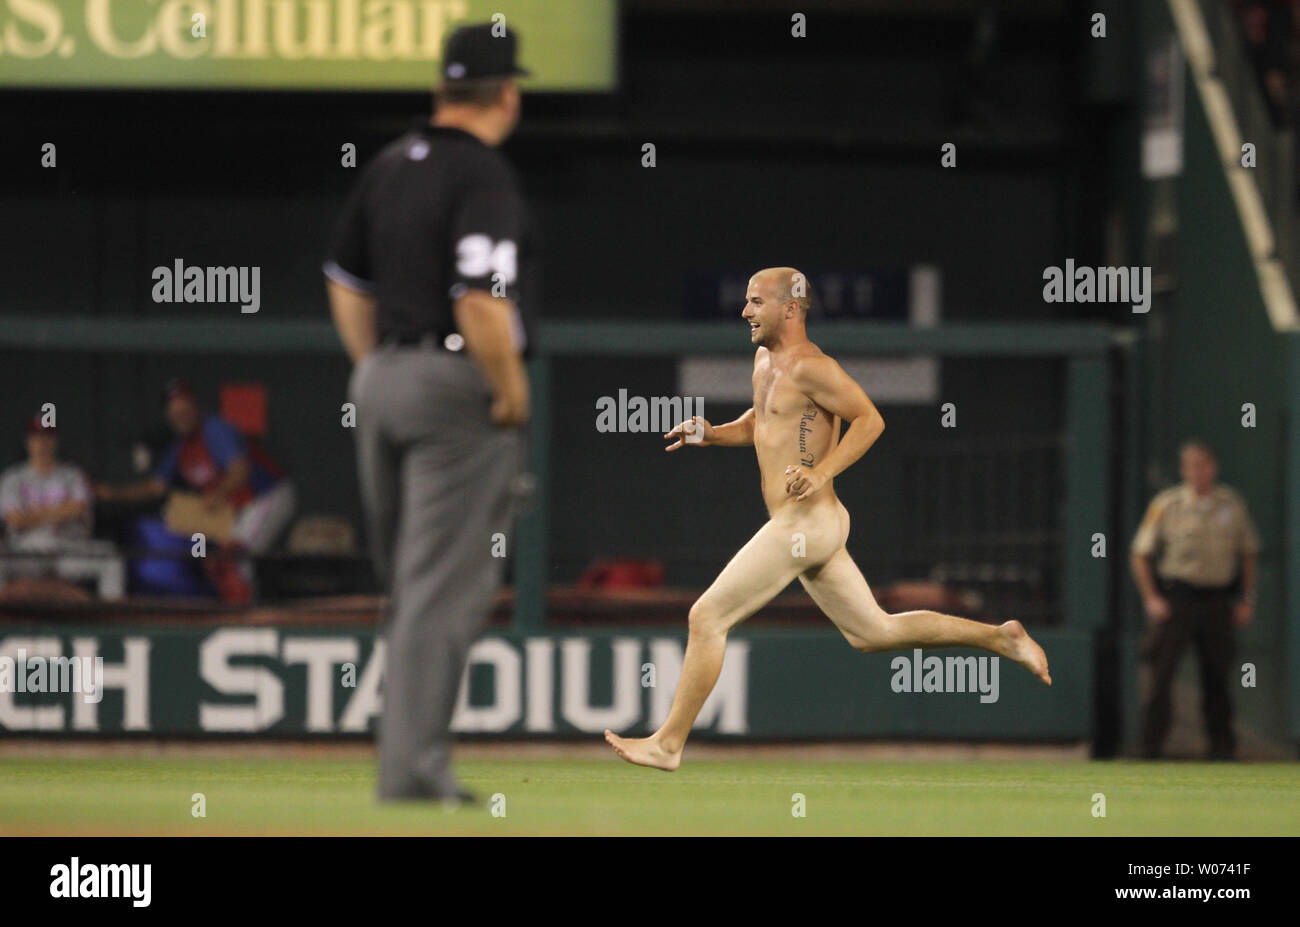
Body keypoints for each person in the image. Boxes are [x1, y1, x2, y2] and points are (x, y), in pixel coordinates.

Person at [604, 267, 1052, 771]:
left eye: (755, 302)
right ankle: (999, 637)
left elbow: (870, 419)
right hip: (812, 525)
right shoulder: (764, 361)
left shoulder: (813, 367)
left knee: (707, 617)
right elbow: (763, 422)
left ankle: (667, 744)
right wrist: (711, 432)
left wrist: (822, 471)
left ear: (789, 308)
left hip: (805, 523)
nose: (745, 311)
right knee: (874, 634)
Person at [324, 23, 533, 804]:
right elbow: (480, 300)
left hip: (381, 382)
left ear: (442, 89)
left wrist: (375, 363)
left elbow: (345, 279)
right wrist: (509, 386)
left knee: (412, 587)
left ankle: (406, 762)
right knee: (440, 588)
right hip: (454, 387)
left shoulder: (387, 165)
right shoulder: (482, 175)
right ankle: (412, 773)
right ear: (506, 93)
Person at [97, 379, 296, 604]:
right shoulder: (180, 448)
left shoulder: (214, 429)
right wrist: (114, 493)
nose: (181, 414)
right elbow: (156, 486)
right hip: (239, 511)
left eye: (185, 407)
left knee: (232, 556)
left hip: (267, 496)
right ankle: (237, 610)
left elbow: (240, 470)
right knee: (218, 559)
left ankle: (246, 616)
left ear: (195, 407)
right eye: (175, 410)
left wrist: (217, 495)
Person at [1130, 439, 1260, 760]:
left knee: (1217, 677)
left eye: (1202, 464)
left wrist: (1246, 598)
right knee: (1160, 676)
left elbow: (1248, 554)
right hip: (1177, 600)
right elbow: (1140, 553)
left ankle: (1222, 750)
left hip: (1217, 601)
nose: (1197, 472)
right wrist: (1152, 598)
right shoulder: (1167, 504)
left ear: (1213, 467)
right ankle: (1150, 749)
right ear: (1183, 469)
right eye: (1190, 465)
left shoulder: (1231, 505)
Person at [0, 415, 124, 600]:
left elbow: (78, 508)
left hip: (69, 548)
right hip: (28, 551)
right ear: (28, 442)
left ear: (55, 441)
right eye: (37, 437)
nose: (42, 443)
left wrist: (31, 516)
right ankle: (6, 619)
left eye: (47, 437)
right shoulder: (13, 478)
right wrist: (61, 510)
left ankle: (112, 622)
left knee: (111, 558)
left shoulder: (72, 475)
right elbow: (15, 519)